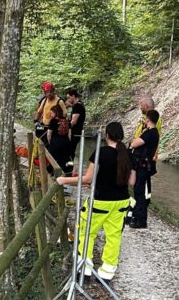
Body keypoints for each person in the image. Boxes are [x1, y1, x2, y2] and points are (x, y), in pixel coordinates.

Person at [56, 122, 135, 280]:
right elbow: (132, 181)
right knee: (114, 237)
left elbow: (88, 178)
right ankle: (107, 272)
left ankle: (84, 269)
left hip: (100, 202)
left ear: (106, 135)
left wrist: (63, 180)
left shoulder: (101, 152)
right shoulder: (128, 154)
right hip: (121, 202)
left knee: (86, 233)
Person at [129, 109, 160, 229]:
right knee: (139, 191)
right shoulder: (154, 133)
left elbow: (134, 144)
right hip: (144, 166)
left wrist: (133, 141)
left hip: (143, 166)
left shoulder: (150, 133)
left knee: (139, 192)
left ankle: (140, 220)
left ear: (148, 119)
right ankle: (137, 217)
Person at [133, 95, 162, 167]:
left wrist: (154, 154)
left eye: (141, 106)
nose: (140, 107)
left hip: (145, 155)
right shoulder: (145, 118)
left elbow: (155, 137)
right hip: (139, 151)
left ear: (146, 106)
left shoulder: (155, 120)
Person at [45, 104, 73, 174]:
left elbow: (49, 134)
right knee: (66, 159)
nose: (51, 115)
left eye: (51, 113)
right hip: (66, 143)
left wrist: (50, 143)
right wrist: (68, 142)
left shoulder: (53, 121)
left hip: (56, 142)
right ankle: (68, 172)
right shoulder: (67, 120)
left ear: (55, 112)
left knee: (52, 159)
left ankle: (50, 173)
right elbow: (70, 134)